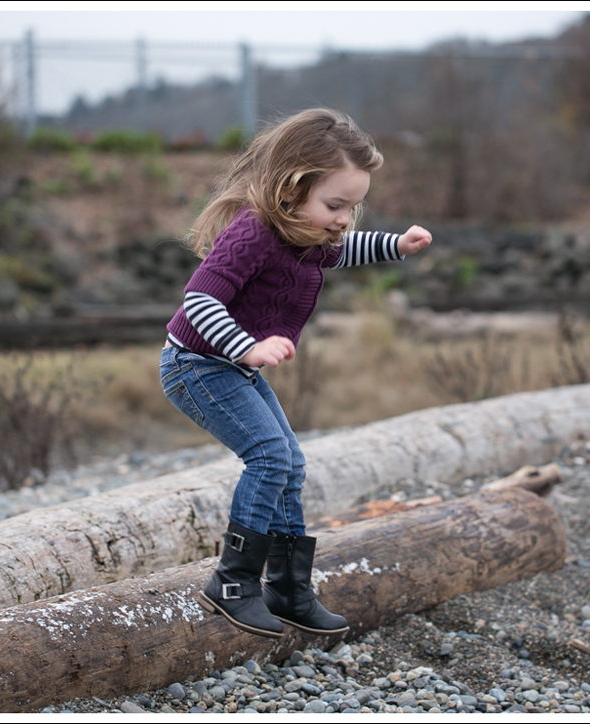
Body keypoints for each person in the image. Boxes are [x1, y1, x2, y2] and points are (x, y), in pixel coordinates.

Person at [160, 108, 432, 639]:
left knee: (291, 463)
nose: (343, 220)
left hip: (229, 367)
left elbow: (339, 249)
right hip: (196, 366)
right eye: (335, 205)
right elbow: (199, 299)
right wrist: (249, 346)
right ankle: (234, 582)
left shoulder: (304, 233)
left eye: (352, 208)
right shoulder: (253, 232)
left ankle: (287, 587)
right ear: (290, 187)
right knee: (268, 458)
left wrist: (396, 245)